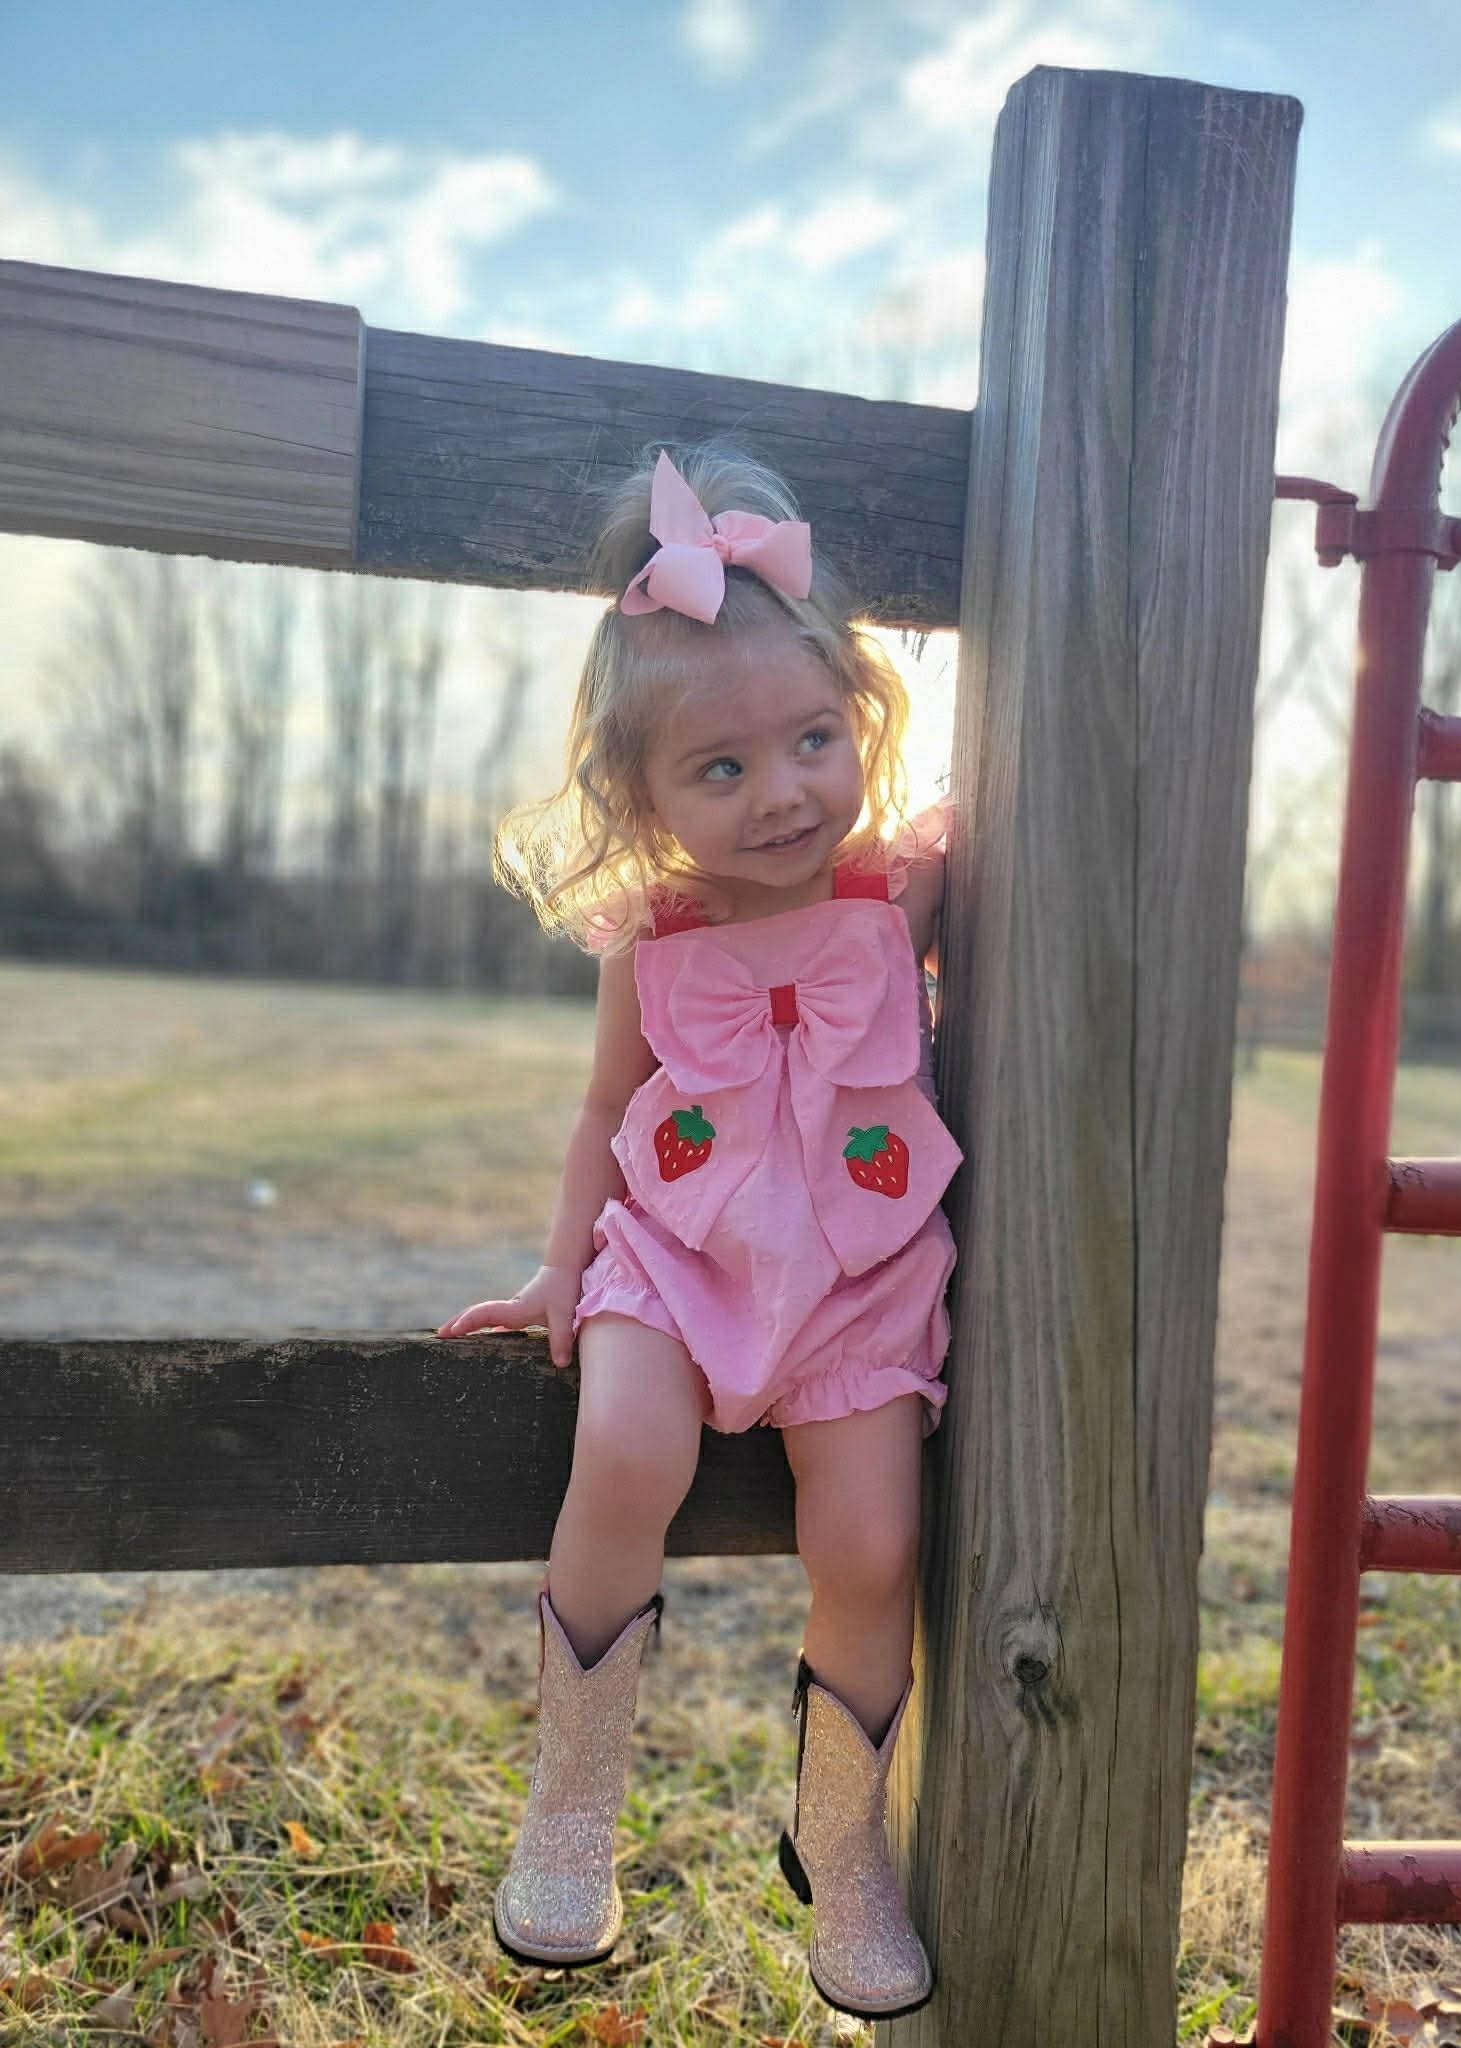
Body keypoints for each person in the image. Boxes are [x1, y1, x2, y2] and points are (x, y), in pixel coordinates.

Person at [437, 437, 961, 2021]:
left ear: (862, 721)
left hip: (862, 1277)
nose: (782, 791)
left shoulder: (906, 890)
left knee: (872, 1543)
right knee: (625, 1455)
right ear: (641, 793)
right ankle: (573, 1808)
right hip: (671, 1257)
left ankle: (845, 1843)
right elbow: (607, 1110)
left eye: (812, 739)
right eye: (720, 769)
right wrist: (560, 1261)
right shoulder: (649, 934)